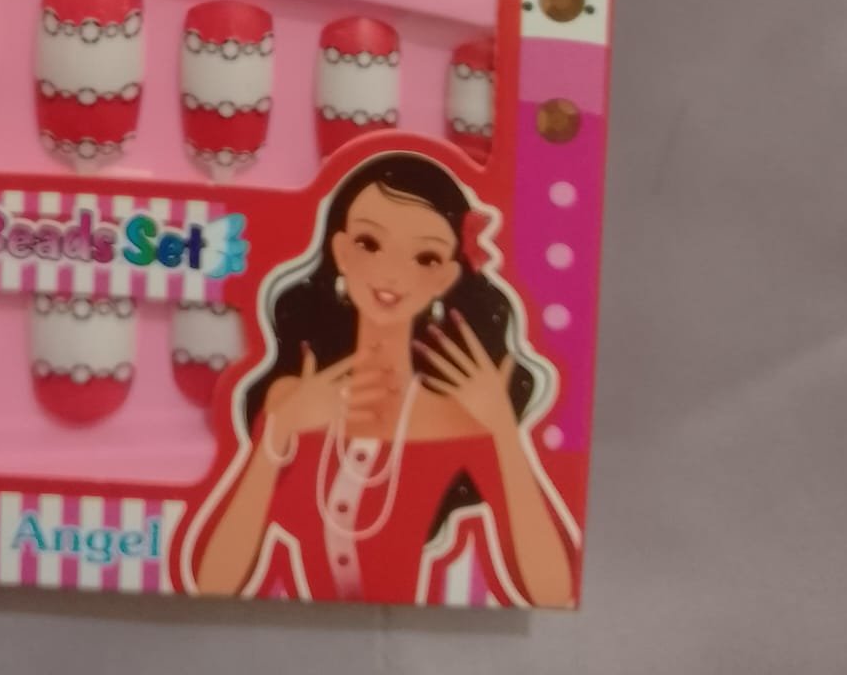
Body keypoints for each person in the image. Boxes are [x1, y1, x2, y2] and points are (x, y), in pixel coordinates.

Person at [186, 148, 578, 604]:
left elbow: (552, 590)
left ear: (447, 277)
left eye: (426, 257)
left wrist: (504, 433)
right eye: (369, 243)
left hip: (409, 632)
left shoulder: (458, 419)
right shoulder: (293, 400)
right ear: (340, 251)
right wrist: (279, 434)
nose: (391, 273)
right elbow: (213, 582)